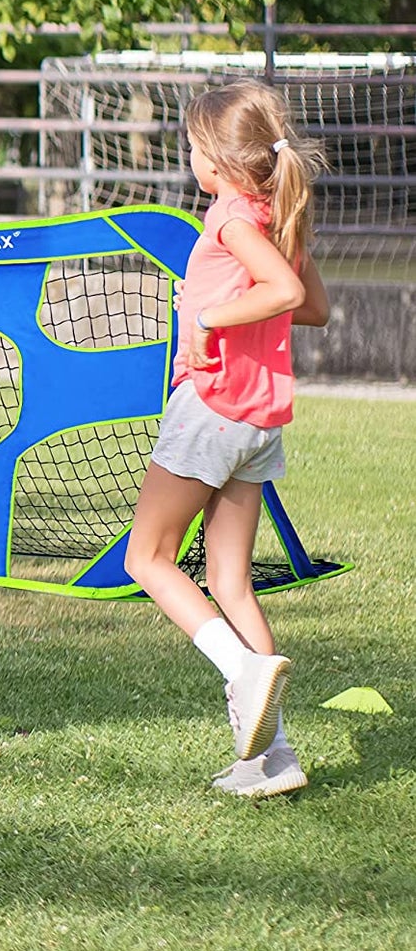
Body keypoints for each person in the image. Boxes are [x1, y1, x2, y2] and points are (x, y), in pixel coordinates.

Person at [124, 79, 329, 799]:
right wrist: (251, 305)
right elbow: (315, 307)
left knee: (146, 557)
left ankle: (240, 671)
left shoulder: (233, 219)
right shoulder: (280, 215)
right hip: (257, 421)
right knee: (229, 581)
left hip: (211, 410)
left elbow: (287, 296)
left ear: (214, 158)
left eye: (190, 147)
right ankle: (271, 758)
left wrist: (211, 318)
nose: (188, 158)